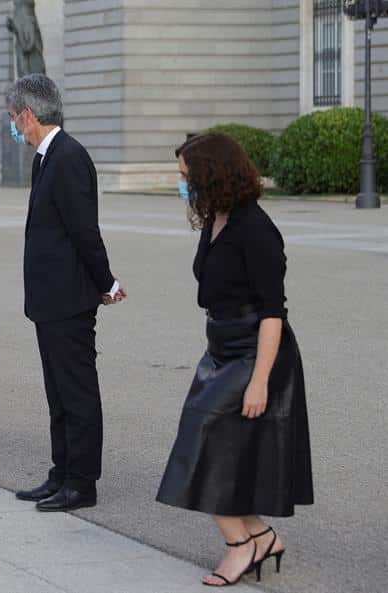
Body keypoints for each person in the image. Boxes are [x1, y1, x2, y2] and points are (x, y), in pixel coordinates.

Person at [156, 132, 313, 587]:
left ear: (211, 174)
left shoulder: (257, 229)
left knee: (200, 441)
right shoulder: (216, 218)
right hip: (220, 347)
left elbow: (272, 313)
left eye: (187, 176)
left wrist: (260, 380)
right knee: (226, 450)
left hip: (254, 350)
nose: (182, 184)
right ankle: (261, 535)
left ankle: (239, 546)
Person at [7, 74, 126, 512]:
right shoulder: (47, 156)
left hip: (68, 299)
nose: (13, 127)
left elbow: (83, 230)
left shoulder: (69, 157)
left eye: (13, 118)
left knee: (76, 391)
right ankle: (61, 471)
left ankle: (82, 481)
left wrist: (106, 282)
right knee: (57, 391)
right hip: (49, 298)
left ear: (28, 114)